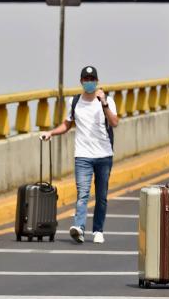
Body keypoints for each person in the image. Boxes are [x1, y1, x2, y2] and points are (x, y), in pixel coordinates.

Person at [41, 65, 119, 245]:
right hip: (83, 155)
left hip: (104, 155)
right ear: (81, 82)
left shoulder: (107, 101)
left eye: (92, 80)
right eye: (86, 80)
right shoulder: (74, 102)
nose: (89, 83)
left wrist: (104, 103)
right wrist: (51, 133)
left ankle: (98, 230)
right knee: (83, 193)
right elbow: (67, 124)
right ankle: (80, 228)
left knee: (101, 196)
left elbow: (114, 122)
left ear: (97, 81)